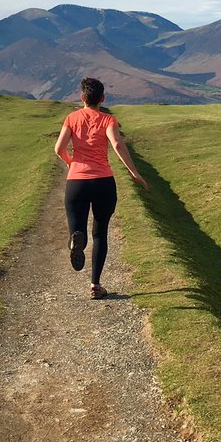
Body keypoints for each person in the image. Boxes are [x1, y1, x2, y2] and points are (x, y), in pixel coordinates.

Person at [54, 77, 148, 299]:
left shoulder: (71, 118)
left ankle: (77, 241)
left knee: (77, 229)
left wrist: (70, 162)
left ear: (82, 97)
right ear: (102, 98)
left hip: (76, 182)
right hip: (103, 182)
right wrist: (134, 173)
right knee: (100, 233)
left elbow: (59, 148)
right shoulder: (108, 120)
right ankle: (95, 286)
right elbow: (116, 144)